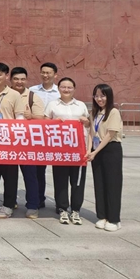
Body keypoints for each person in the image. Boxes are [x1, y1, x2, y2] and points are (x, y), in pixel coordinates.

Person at [44, 77, 90, 225]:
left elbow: (89, 125)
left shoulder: (81, 105)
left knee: (77, 182)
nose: (66, 90)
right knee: (60, 180)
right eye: (63, 87)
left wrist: (86, 121)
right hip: (60, 150)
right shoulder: (52, 104)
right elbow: (44, 123)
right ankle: (62, 208)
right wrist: (54, 122)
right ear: (58, 89)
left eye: (69, 87)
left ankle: (75, 210)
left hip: (79, 150)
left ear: (74, 89)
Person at [0, 63, 24, 219]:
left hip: (9, 142)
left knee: (10, 175)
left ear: (6, 76)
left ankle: (8, 205)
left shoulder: (14, 95)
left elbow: (20, 117)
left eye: (0, 74)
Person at [87, 84, 123, 232]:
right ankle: (102, 216)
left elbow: (110, 135)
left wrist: (95, 152)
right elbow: (91, 133)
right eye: (96, 96)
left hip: (110, 150)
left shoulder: (113, 112)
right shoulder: (94, 113)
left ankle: (114, 219)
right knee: (99, 183)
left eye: (102, 95)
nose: (99, 99)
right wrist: (89, 150)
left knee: (112, 184)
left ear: (109, 96)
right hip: (96, 150)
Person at [10, 66, 45, 219]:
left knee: (30, 175)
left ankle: (32, 205)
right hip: (7, 141)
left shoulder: (32, 96)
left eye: (22, 79)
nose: (19, 82)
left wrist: (31, 116)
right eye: (16, 79)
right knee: (10, 175)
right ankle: (10, 202)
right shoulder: (6, 94)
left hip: (27, 142)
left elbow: (41, 119)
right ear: (11, 79)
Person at [29, 62, 60, 209]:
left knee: (59, 169)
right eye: (43, 72)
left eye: (49, 73)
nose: (45, 75)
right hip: (37, 135)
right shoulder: (32, 90)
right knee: (38, 169)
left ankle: (61, 202)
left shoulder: (60, 91)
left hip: (55, 134)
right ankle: (39, 198)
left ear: (55, 75)